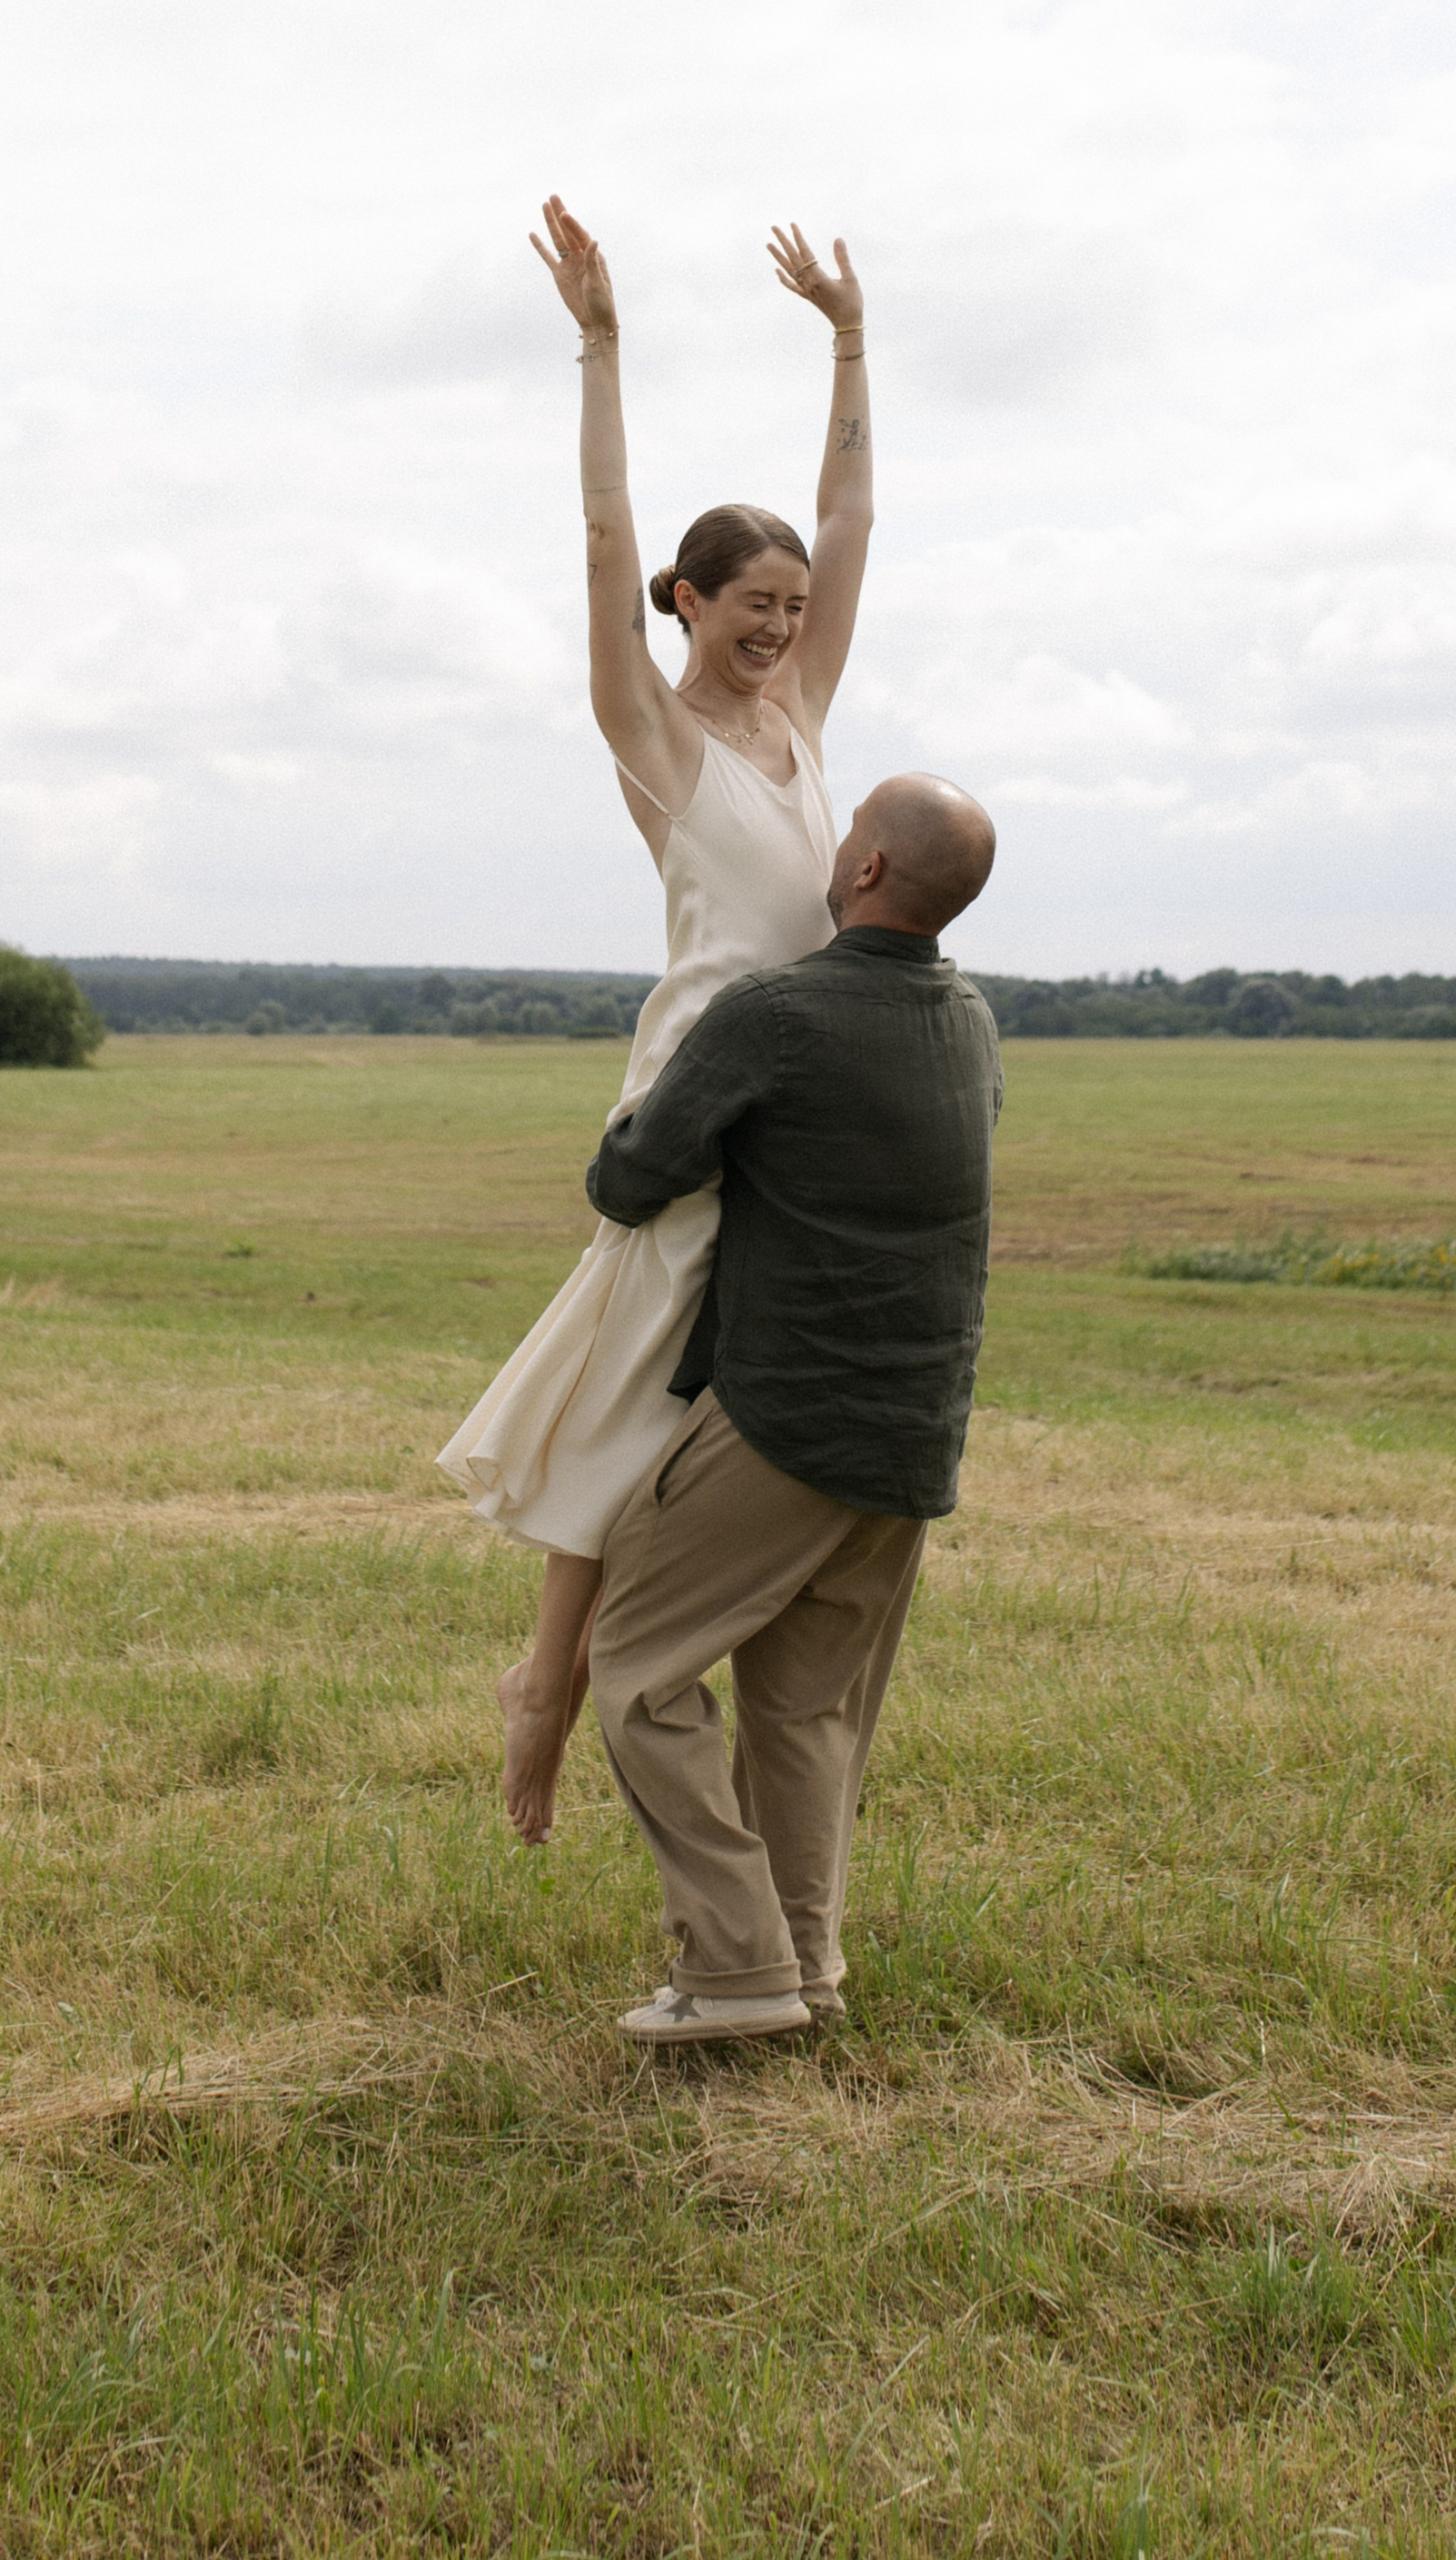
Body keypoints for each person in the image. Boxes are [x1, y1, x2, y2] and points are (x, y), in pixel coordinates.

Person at [438, 196, 877, 1844]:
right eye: (749, 603)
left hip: (805, 1097)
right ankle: (547, 1682)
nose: (777, 625)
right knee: (637, 1388)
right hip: (698, 1098)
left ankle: (644, 1658)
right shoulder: (660, 736)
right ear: (690, 605)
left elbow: (855, 511)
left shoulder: (801, 714)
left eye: (793, 604)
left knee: (714, 1404)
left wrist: (847, 340)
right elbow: (607, 537)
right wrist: (603, 345)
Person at [581, 774, 1002, 2039]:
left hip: (783, 1416)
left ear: (865, 867)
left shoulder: (777, 1013)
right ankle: (804, 1978)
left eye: (848, 828)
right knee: (807, 1710)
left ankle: (736, 1961)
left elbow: (630, 1176)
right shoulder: (971, 1020)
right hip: (913, 1433)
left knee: (637, 1671)